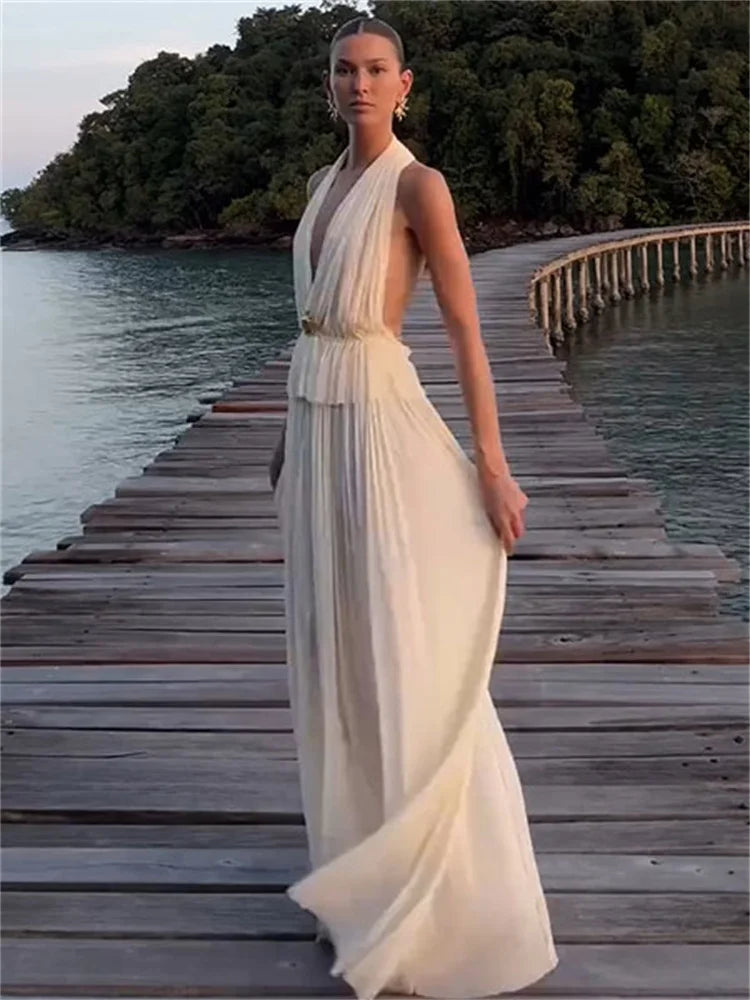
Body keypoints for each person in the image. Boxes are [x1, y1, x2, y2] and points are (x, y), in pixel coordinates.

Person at [270, 14, 559, 1000]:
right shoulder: (321, 188)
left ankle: (431, 901)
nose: (359, 83)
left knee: (399, 640)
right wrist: (283, 436)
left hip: (383, 427)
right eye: (344, 70)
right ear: (328, 87)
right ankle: (363, 877)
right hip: (317, 428)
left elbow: (467, 329)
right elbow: (311, 326)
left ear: (406, 84)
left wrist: (491, 461)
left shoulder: (415, 185)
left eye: (376, 69)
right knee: (334, 644)